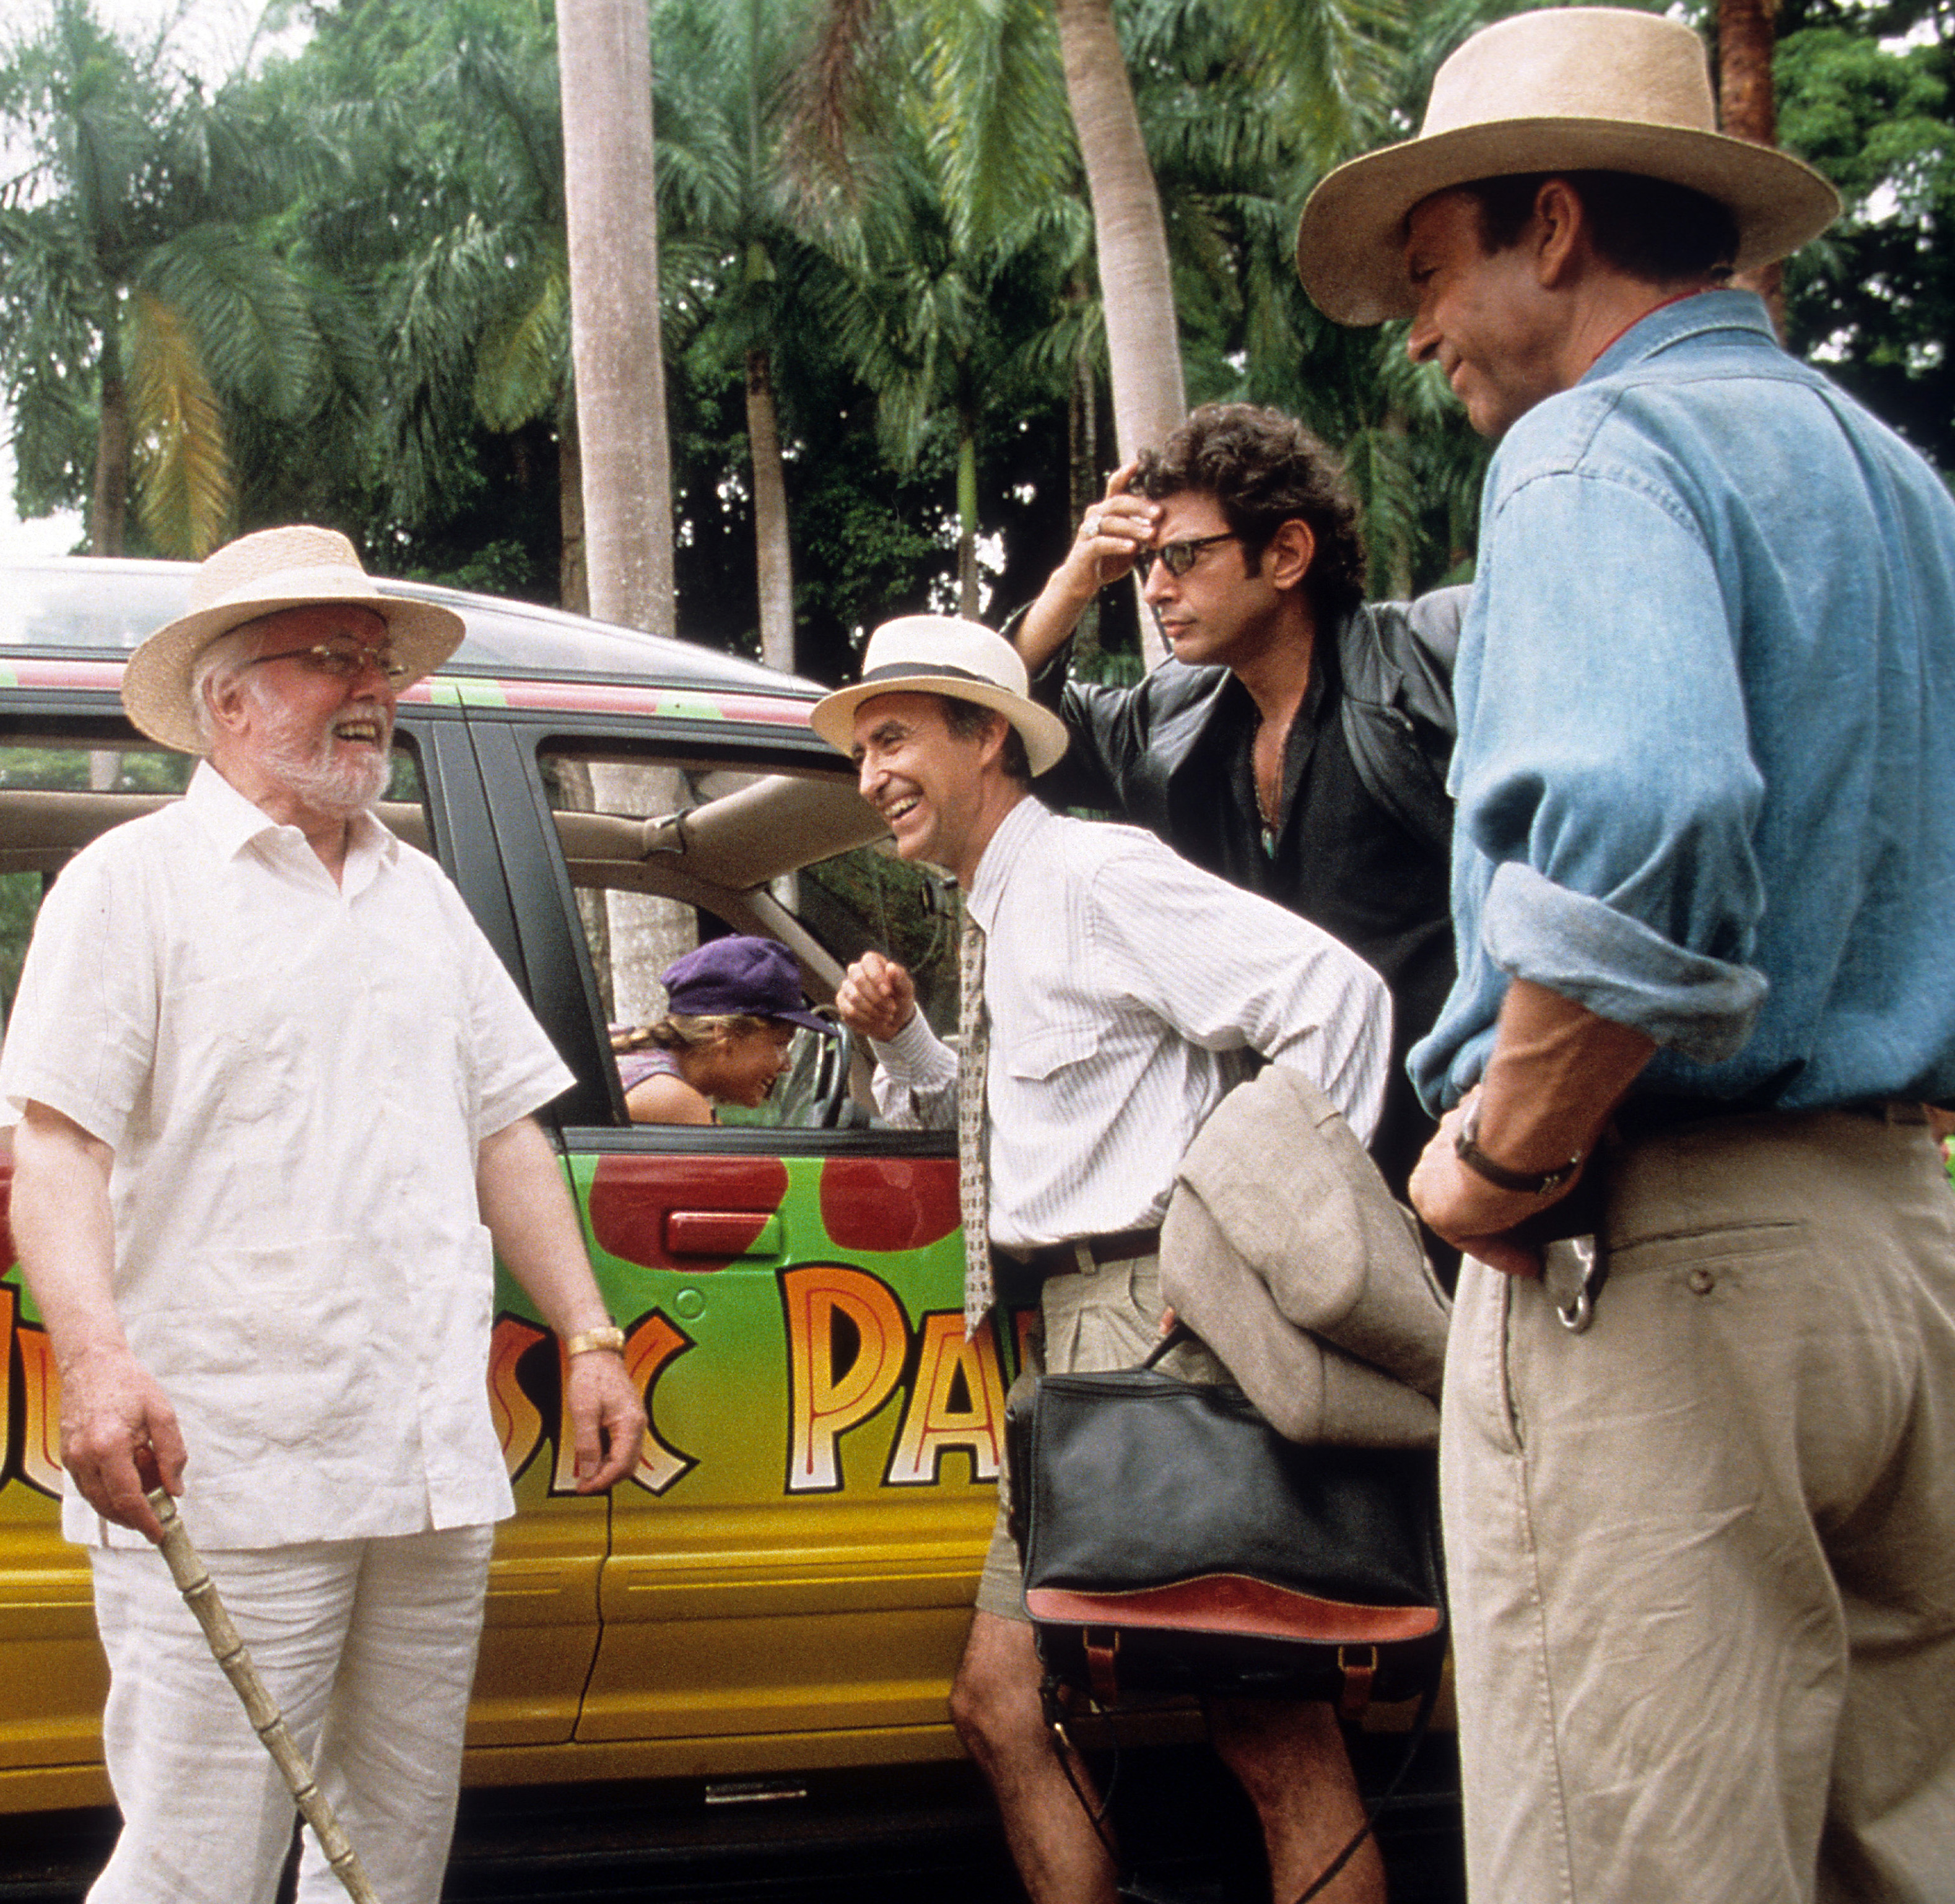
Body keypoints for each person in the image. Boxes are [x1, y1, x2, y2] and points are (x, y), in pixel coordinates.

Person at [1297, 9, 1955, 1898]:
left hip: (1655, 1254)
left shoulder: (1594, 447)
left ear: (1554, 226)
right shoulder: (1893, 482)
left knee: (1637, 1860)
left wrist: (1497, 1152)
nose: (1416, 330)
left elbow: (1646, 838)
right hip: (1896, 1249)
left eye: (1429, 271)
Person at [0, 524, 647, 1904]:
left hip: (422, 1465)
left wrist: (588, 1335)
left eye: (379, 661)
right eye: (328, 658)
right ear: (225, 699)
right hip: (228, 1465)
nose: (370, 688)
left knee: (388, 1860)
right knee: (194, 1864)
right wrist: (94, 1360)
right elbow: (54, 1148)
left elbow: (503, 1130)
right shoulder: (131, 884)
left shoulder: (417, 895)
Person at [815, 614, 1396, 1904]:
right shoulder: (1002, 910)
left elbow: (1334, 997)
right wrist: (910, 1048)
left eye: (895, 737)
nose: (873, 775)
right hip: (1085, 1336)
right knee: (1001, 1701)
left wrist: (1252, 1241)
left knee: (1265, 1726)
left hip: (1161, 1322)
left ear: (985, 738)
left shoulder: (1087, 875)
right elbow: (1049, 1125)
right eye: (861, 749)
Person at [1009, 403, 1466, 1184]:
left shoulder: (1434, 657)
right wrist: (1074, 579)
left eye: (1182, 556)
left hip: (1474, 1159)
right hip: (1310, 1192)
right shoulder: (1172, 720)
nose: (1153, 589)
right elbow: (1011, 732)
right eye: (1149, 560)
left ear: (1286, 553)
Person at [612, 934, 830, 1126]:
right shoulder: (678, 1104)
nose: (788, 1066)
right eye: (781, 1044)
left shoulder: (621, 1040)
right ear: (724, 1035)